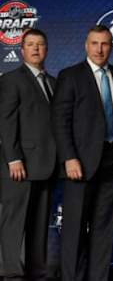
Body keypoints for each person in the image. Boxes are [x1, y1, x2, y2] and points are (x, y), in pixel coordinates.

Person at [52, 25, 113, 281]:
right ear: (86, 45)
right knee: (74, 230)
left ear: (111, 47)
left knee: (104, 229)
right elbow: (60, 121)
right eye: (95, 43)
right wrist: (69, 157)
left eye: (105, 44)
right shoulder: (70, 75)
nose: (100, 49)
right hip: (80, 164)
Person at [0, 29, 56, 281]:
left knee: (39, 224)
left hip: (46, 165)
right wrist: (13, 158)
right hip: (19, 165)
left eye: (40, 44)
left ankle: (37, 271)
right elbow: (6, 121)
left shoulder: (53, 83)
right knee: (14, 222)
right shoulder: (12, 80)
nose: (35, 49)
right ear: (22, 50)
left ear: (46, 49)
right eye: (30, 45)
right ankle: (11, 272)